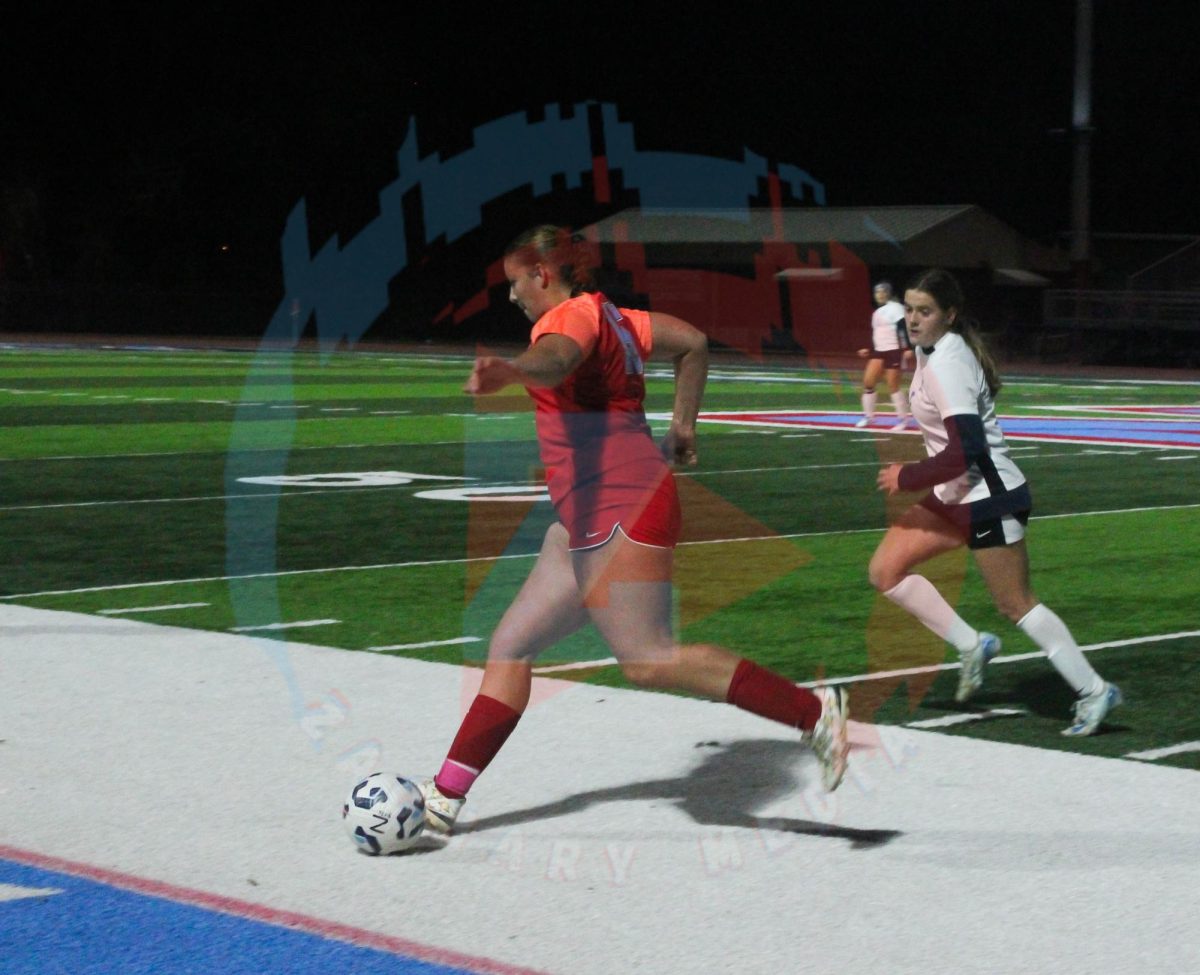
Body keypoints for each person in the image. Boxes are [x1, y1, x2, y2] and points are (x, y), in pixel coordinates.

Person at [418, 225, 849, 832]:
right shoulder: (618, 317)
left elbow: (557, 358)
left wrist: (515, 371)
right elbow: (694, 343)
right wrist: (684, 427)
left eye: (516, 282)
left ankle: (814, 712)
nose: (513, 296)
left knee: (646, 659)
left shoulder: (567, 318)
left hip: (624, 504)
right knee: (512, 646)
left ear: (542, 273)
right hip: (590, 514)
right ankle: (443, 797)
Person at [870, 268, 1122, 736]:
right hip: (953, 495)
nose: (913, 319)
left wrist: (908, 475)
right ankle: (972, 644)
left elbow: (968, 449)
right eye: (909, 309)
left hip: (989, 498)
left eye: (925, 311)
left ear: (950, 314)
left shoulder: (949, 362)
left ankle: (1093, 690)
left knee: (1015, 604)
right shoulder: (929, 352)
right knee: (886, 571)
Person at [855, 281, 913, 429]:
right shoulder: (877, 312)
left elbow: (902, 329)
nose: (879, 295)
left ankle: (903, 420)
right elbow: (877, 334)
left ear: (889, 293)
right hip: (879, 350)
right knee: (868, 383)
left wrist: (906, 347)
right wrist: (869, 348)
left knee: (893, 385)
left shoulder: (896, 308)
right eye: (877, 292)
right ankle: (869, 417)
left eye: (883, 292)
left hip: (894, 350)